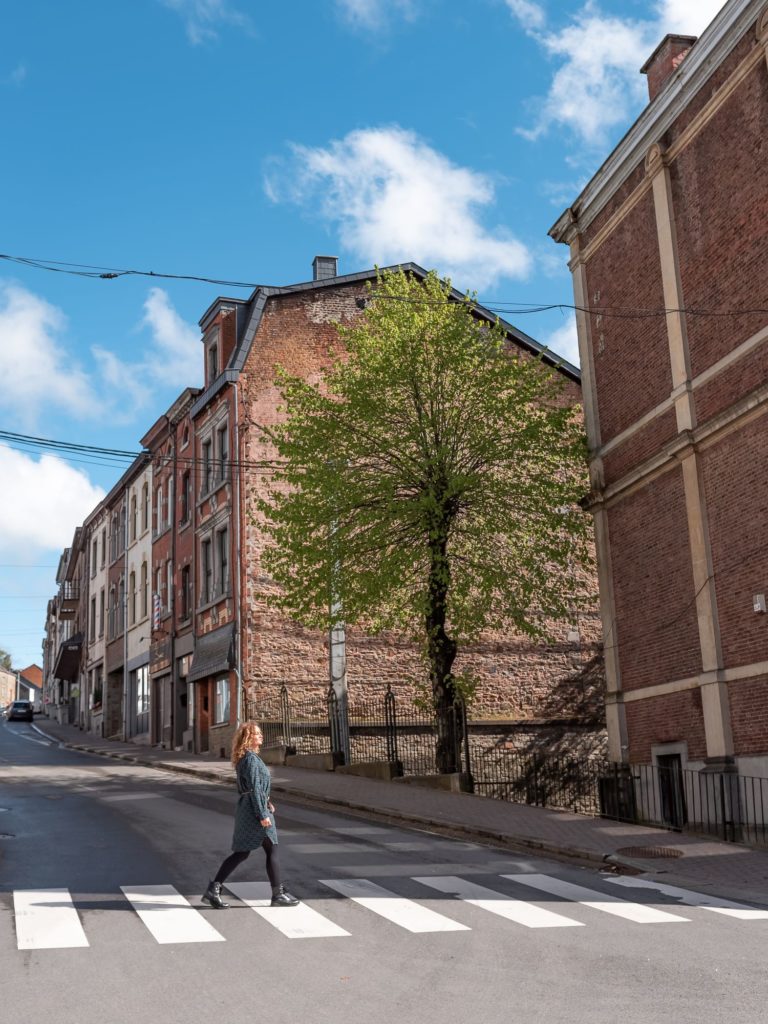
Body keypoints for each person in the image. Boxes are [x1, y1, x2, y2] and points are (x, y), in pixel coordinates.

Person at [203, 721, 299, 909]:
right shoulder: (250, 760)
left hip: (251, 807)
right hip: (254, 811)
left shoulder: (249, 758)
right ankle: (277, 894)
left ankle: (214, 890)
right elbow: (254, 789)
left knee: (244, 852)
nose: (261, 736)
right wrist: (262, 813)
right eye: (257, 733)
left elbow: (255, 789)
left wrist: (267, 802)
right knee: (266, 850)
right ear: (248, 738)